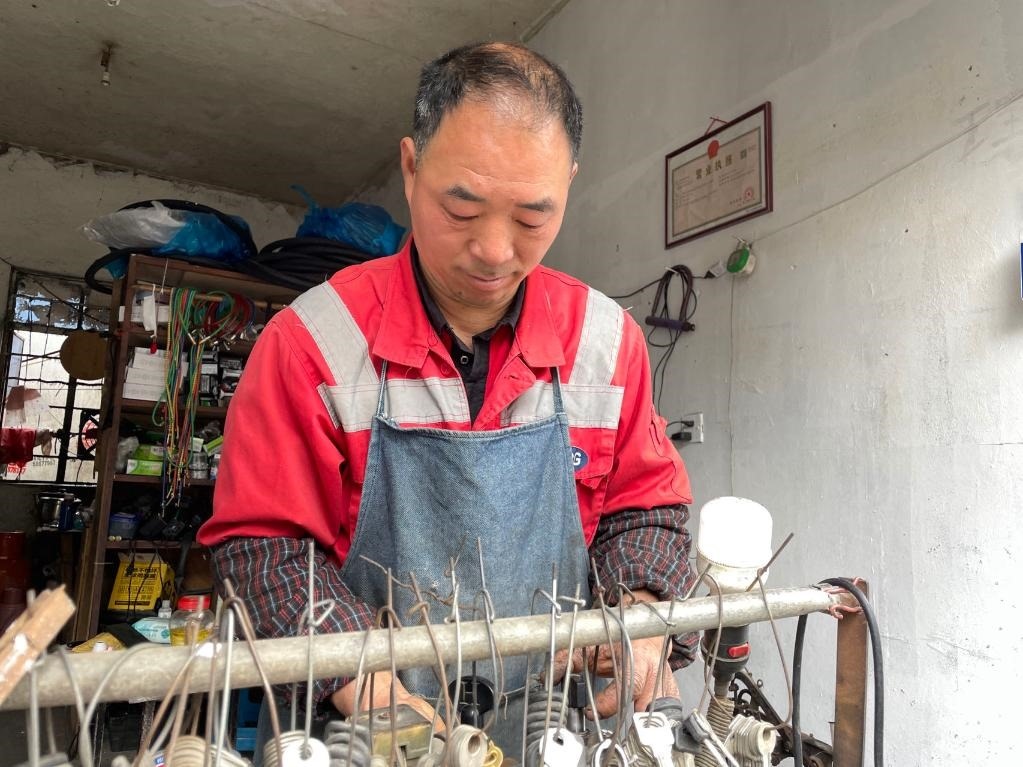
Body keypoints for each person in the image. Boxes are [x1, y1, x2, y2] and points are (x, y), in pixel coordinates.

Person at [197, 41, 695, 752]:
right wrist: (372, 689)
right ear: (410, 168)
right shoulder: (313, 342)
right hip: (369, 727)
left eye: (531, 217)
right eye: (461, 208)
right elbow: (264, 549)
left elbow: (645, 509)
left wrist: (640, 616)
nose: (494, 249)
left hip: (559, 725)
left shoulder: (606, 341)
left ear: (568, 186)